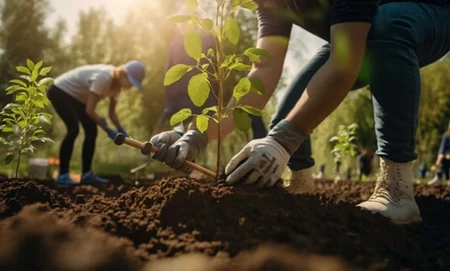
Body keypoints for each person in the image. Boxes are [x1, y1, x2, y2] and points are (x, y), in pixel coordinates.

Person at [150, 1, 450, 224]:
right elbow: (264, 69)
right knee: (288, 111)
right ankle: (301, 183)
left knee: (389, 26)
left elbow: (345, 64)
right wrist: (193, 135)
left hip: (429, 12)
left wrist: (283, 141)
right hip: (357, 34)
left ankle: (397, 190)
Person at [153, 24, 267, 139]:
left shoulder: (206, 38)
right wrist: (169, 104)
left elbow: (219, 64)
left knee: (219, 124)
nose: (182, 27)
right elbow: (170, 75)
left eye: (185, 23)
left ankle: (261, 140)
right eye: (179, 25)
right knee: (183, 133)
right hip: (184, 100)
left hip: (209, 95)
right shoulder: (175, 45)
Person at [47, 61, 146, 185]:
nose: (130, 86)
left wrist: (120, 129)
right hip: (60, 91)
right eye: (131, 82)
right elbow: (90, 110)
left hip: (79, 98)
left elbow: (112, 114)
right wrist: (107, 129)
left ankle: (87, 175)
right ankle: (62, 175)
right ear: (122, 74)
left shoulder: (117, 88)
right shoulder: (104, 77)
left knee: (91, 130)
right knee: (73, 129)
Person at [428, 121, 450, 186]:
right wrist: (436, 164)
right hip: (447, 159)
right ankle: (439, 178)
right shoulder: (446, 136)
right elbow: (441, 151)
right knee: (444, 158)